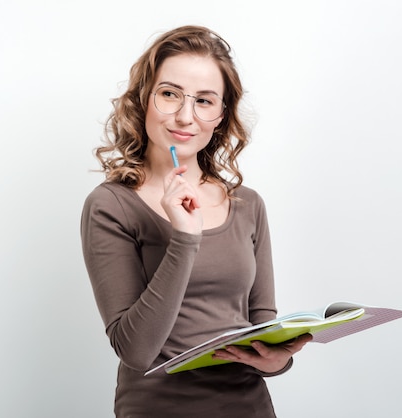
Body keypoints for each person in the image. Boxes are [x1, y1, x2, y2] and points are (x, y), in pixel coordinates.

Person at [80, 25, 312, 417]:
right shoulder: (111, 206)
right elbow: (135, 350)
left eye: (204, 101)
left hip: (249, 407)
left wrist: (279, 362)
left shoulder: (248, 204)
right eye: (169, 94)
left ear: (221, 115)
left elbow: (262, 323)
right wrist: (185, 238)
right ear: (144, 100)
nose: (185, 116)